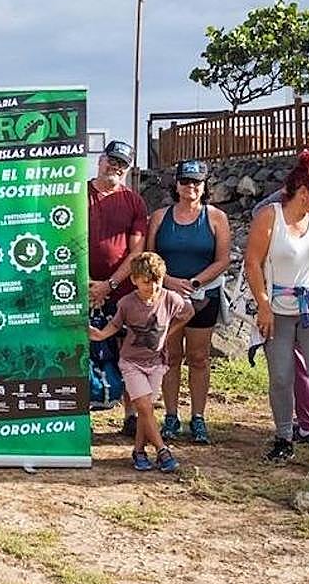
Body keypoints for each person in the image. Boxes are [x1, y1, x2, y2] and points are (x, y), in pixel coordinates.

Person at [244, 150, 309, 473]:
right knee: (280, 376)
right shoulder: (269, 217)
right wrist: (263, 306)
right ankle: (283, 439)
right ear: (303, 191)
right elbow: (252, 263)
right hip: (278, 306)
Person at [146, 159, 231, 445]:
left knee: (199, 357)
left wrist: (195, 282)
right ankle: (170, 415)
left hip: (203, 295)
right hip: (167, 295)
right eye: (185, 181)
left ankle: (198, 417)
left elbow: (223, 260)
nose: (190, 187)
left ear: (204, 186)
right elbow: (150, 257)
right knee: (170, 357)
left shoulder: (216, 217)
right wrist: (168, 281)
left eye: (196, 182)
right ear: (177, 184)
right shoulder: (160, 217)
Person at [89, 252, 192, 472]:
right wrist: (98, 335)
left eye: (157, 282)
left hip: (156, 362)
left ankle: (139, 451)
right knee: (144, 406)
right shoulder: (127, 303)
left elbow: (188, 312)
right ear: (134, 280)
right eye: (146, 283)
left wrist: (168, 333)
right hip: (131, 362)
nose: (153, 288)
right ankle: (163, 450)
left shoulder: (169, 298)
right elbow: (115, 326)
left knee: (146, 412)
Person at [87, 139, 149, 437]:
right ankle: (78, 413)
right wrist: (87, 285)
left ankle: (131, 414)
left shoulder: (134, 202)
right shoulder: (77, 193)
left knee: (127, 352)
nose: (116, 167)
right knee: (80, 351)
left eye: (122, 164)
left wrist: (108, 285)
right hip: (79, 288)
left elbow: (136, 252)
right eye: (112, 160)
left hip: (122, 290)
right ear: (101, 160)